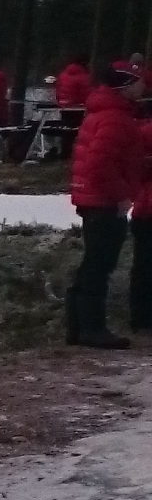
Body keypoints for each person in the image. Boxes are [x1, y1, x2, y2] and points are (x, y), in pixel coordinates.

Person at [68, 63, 146, 349]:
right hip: (104, 201)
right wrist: (123, 194)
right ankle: (92, 328)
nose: (144, 87)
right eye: (139, 82)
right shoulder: (115, 118)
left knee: (93, 262)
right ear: (125, 86)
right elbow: (100, 164)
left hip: (93, 198)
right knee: (100, 264)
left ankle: (77, 326)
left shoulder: (105, 113)